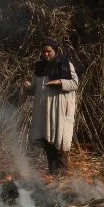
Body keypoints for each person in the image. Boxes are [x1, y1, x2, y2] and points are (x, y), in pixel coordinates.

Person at [22, 39, 80, 176]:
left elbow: (75, 83)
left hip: (59, 111)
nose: (46, 54)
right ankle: (54, 175)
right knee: (48, 143)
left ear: (55, 51)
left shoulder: (65, 65)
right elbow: (34, 89)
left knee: (60, 143)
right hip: (44, 112)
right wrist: (27, 87)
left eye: (49, 51)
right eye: (44, 51)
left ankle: (64, 179)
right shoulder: (39, 68)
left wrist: (60, 82)